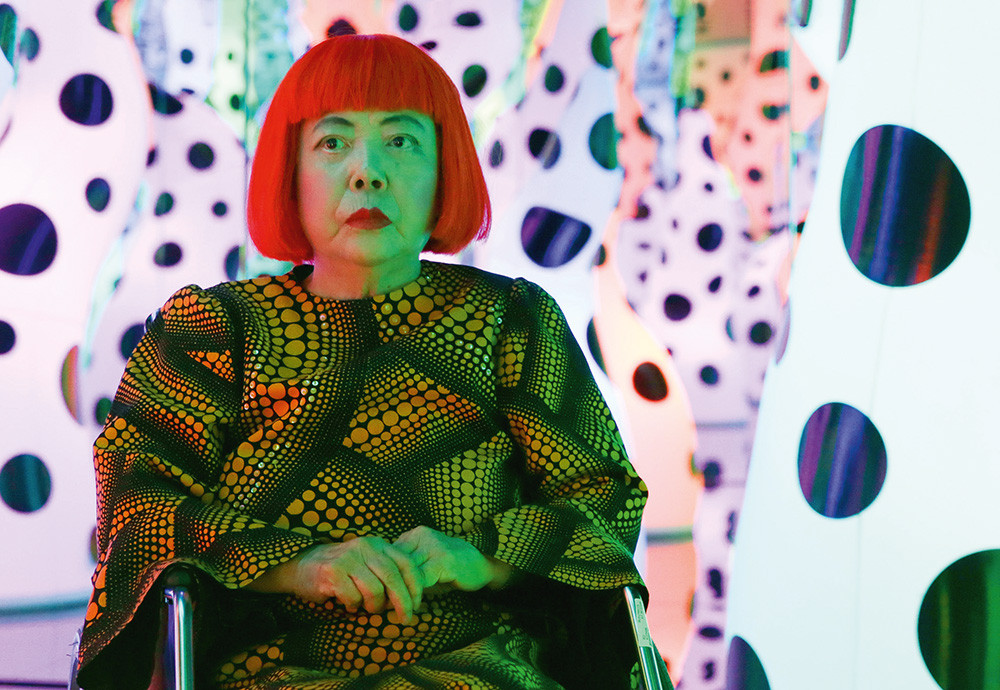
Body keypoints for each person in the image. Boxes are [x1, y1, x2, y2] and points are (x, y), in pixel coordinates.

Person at [75, 33, 655, 689]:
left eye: (401, 140)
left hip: (491, 663)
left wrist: (479, 556)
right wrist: (302, 564)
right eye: (333, 142)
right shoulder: (213, 328)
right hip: (272, 667)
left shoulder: (511, 319)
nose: (366, 171)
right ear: (290, 173)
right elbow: (138, 508)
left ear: (445, 171)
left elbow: (603, 493)